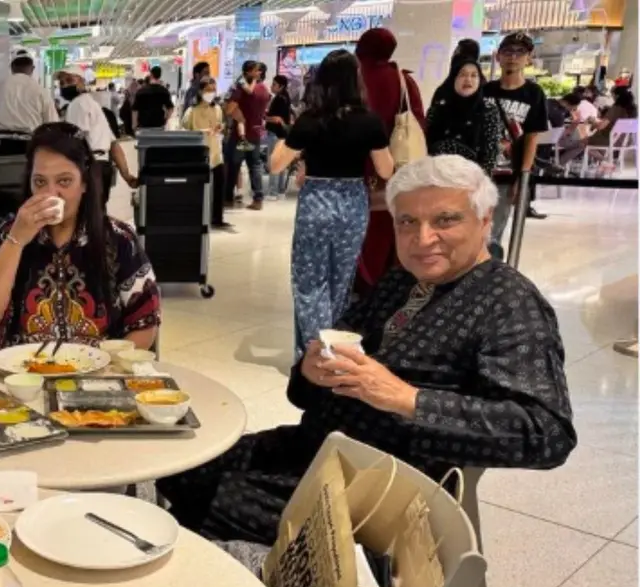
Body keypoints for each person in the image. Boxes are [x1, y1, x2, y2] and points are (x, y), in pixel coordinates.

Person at [158, 155, 576, 546]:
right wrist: (311, 370)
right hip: (319, 450)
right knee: (183, 465)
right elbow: (316, 376)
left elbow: (546, 434)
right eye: (407, 222)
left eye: (445, 220)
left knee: (208, 499)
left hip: (386, 491)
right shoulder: (401, 282)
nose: (423, 238)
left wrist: (407, 399)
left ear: (485, 222)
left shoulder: (507, 302)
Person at [0, 122, 161, 353]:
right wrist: (16, 240)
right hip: (23, 377)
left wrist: (111, 368)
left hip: (98, 376)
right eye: (40, 182)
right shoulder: (7, 235)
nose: (50, 193)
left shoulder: (119, 239)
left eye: (64, 181)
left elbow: (146, 321)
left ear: (85, 184)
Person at [270, 49, 393, 360]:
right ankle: (332, 349)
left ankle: (311, 353)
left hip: (316, 202)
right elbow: (385, 169)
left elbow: (274, 164)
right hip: (353, 203)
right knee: (341, 280)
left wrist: (294, 139)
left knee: (309, 281)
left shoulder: (311, 120)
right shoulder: (370, 121)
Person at [353, 27, 426, 295]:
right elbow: (418, 121)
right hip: (394, 168)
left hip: (354, 169)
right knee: (387, 231)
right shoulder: (402, 80)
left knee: (358, 235)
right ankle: (386, 286)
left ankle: (359, 285)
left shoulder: (353, 79)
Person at [484, 31, 548, 260]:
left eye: (520, 52)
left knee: (493, 232)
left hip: (506, 175)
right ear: (498, 56)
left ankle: (490, 280)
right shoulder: (485, 90)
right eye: (507, 51)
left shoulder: (534, 94)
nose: (513, 57)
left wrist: (524, 176)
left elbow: (532, 136)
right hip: (477, 173)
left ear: (529, 58)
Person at [62, 70, 139, 202]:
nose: (64, 86)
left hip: (88, 167)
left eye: (69, 80)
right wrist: (126, 174)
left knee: (87, 214)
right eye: (61, 83)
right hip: (103, 167)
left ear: (81, 81)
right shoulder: (93, 105)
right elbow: (113, 144)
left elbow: (75, 141)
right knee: (98, 213)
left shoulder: (77, 104)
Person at [426, 56, 504, 173]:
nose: (468, 79)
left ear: (480, 80)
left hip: (472, 179)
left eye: (474, 75)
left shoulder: (488, 111)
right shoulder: (438, 109)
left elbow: (491, 153)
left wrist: (481, 182)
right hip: (437, 175)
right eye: (462, 75)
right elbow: (426, 144)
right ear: (453, 79)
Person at [183, 78, 233, 233]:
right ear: (200, 91)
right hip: (200, 152)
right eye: (208, 90)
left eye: (213, 90)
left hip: (216, 152)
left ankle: (217, 218)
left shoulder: (217, 109)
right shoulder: (192, 111)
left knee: (219, 186)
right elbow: (186, 129)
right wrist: (203, 131)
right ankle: (196, 216)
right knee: (198, 187)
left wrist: (221, 128)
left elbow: (221, 125)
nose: (211, 93)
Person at [0, 55, 59, 156]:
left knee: (1, 171)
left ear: (11, 68)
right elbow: (51, 123)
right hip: (29, 144)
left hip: (2, 144)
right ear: (32, 69)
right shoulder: (40, 90)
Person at [224, 61, 271, 210]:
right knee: (254, 165)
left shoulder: (240, 88)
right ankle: (258, 198)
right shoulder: (264, 89)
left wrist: (233, 115)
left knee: (234, 165)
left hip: (240, 135)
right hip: (255, 133)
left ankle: (227, 198)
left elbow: (230, 108)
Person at [563, 87, 638, 167]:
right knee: (591, 141)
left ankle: (606, 162)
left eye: (612, 94)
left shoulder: (616, 108)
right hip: (626, 141)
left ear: (617, 96)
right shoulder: (634, 109)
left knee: (582, 143)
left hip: (611, 140)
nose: (611, 96)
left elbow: (601, 126)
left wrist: (593, 122)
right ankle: (600, 164)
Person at [264, 74, 295, 200]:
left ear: (281, 86)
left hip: (275, 134)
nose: (272, 86)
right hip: (283, 135)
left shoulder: (279, 99)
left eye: (274, 84)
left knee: (274, 162)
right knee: (281, 162)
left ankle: (273, 191)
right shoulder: (286, 97)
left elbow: (278, 119)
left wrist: (264, 117)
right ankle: (280, 190)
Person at [428, 38, 483, 107]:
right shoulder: (443, 93)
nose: (468, 79)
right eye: (463, 74)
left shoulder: (486, 100)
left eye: (473, 75)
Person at [132, 66, 174, 132]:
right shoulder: (164, 91)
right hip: (159, 125)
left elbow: (135, 109)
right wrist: (165, 119)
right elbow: (170, 108)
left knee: (144, 142)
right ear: (160, 76)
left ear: (151, 75)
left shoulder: (141, 91)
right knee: (157, 142)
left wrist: (134, 125)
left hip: (143, 125)